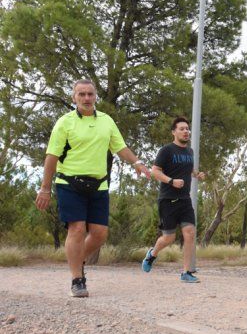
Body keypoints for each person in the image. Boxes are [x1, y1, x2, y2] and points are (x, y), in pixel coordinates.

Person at [35, 79, 151, 297]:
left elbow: (121, 147)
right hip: (69, 183)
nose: (86, 98)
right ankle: (77, 278)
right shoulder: (64, 123)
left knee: (99, 234)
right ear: (74, 98)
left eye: (90, 94)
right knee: (77, 229)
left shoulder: (106, 121)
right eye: (82, 94)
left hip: (98, 184)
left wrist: (137, 163)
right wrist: (45, 188)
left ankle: (76, 261)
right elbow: (51, 157)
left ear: (95, 96)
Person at [141, 116, 205, 283]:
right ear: (174, 132)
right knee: (169, 238)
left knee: (190, 233)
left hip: (184, 200)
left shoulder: (189, 152)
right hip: (168, 199)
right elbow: (155, 171)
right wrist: (171, 181)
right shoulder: (166, 150)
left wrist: (197, 174)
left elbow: (188, 169)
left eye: (187, 129)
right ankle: (152, 254)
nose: (186, 131)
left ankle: (186, 272)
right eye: (182, 129)